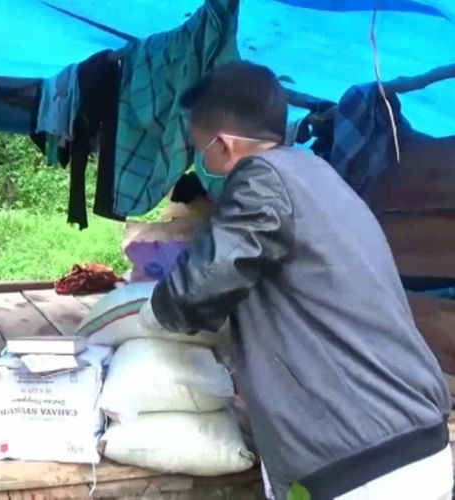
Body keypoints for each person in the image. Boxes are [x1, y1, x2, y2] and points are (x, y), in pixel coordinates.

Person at [139, 61, 453, 499]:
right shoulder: (318, 175)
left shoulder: (262, 181)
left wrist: (150, 310)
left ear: (224, 145)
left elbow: (199, 286)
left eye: (199, 149)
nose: (199, 162)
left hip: (360, 465)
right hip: (417, 441)